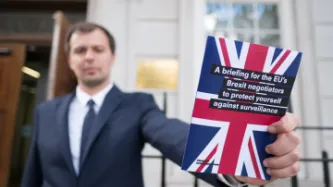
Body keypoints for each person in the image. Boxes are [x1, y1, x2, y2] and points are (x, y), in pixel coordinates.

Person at [21, 22, 301, 187]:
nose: (89, 57)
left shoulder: (137, 105)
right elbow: (32, 176)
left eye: (98, 49)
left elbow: (173, 136)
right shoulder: (45, 112)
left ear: (112, 56)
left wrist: (230, 166)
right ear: (70, 60)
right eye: (81, 50)